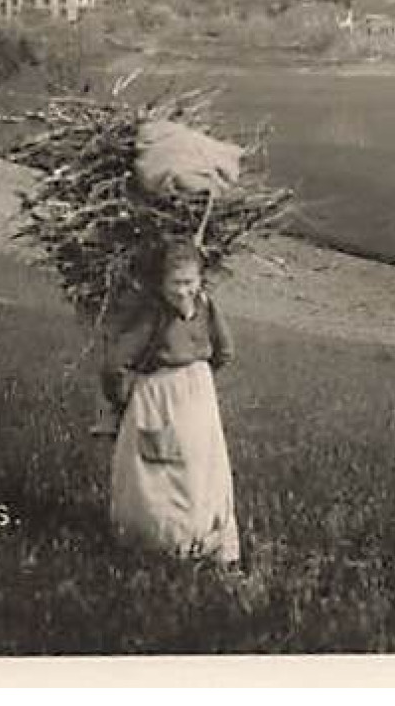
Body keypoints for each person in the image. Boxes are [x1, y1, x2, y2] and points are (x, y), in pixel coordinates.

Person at [99, 240, 239, 563]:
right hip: (159, 395)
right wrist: (124, 396)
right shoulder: (152, 316)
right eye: (175, 283)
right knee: (159, 468)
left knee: (201, 465)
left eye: (190, 282)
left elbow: (225, 350)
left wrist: (199, 376)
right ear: (160, 284)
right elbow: (115, 362)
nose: (183, 291)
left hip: (197, 396)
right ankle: (159, 540)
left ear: (201, 280)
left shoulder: (206, 308)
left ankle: (203, 537)